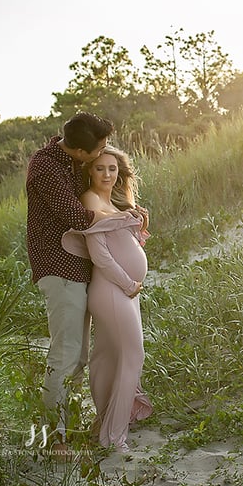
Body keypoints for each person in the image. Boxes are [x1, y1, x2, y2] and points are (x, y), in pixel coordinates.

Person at [26, 112, 114, 447]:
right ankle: (52, 437)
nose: (101, 151)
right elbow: (76, 216)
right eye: (96, 149)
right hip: (57, 265)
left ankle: (66, 422)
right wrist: (121, 220)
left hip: (80, 265)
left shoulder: (74, 161)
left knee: (78, 355)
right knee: (65, 351)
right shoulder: (45, 166)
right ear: (78, 151)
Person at [62, 146, 153, 455]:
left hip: (123, 292)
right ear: (90, 170)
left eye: (112, 169)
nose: (107, 174)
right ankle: (114, 439)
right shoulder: (89, 200)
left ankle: (105, 425)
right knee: (133, 354)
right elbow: (100, 254)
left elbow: (123, 242)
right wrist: (129, 284)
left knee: (111, 358)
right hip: (114, 289)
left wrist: (136, 222)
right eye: (100, 168)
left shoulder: (111, 202)